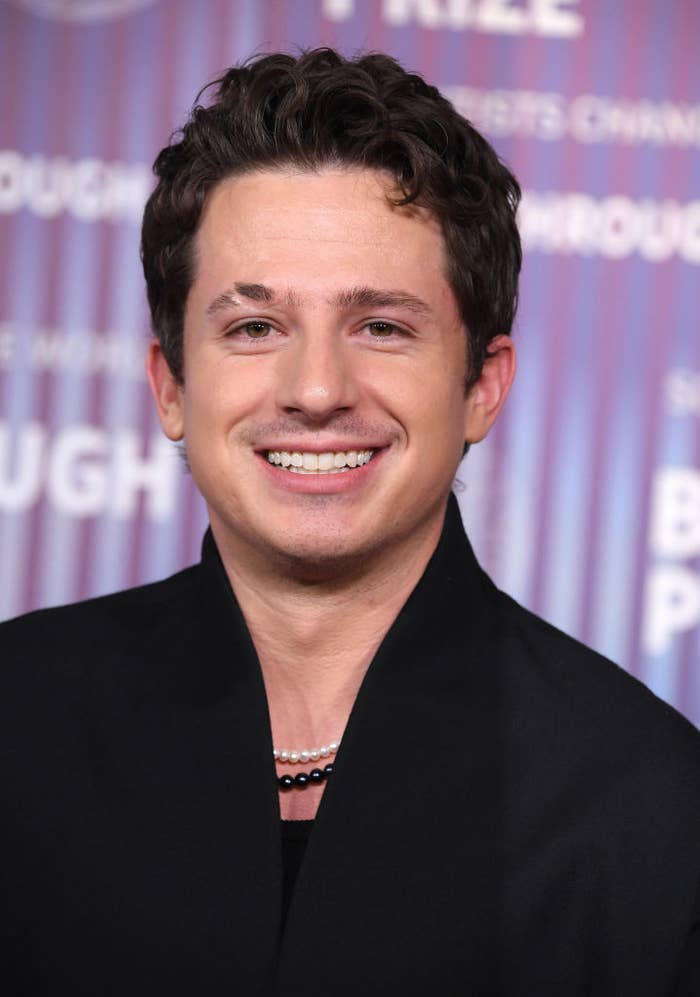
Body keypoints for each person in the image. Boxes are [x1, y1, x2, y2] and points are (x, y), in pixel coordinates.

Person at [1, 48, 698, 997]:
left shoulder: (653, 806)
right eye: (254, 327)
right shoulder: (17, 721)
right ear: (170, 385)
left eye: (382, 325)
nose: (318, 390)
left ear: (483, 387)